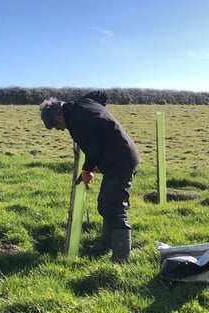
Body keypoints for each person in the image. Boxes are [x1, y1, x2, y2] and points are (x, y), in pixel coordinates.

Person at [39, 91, 139, 262]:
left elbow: (92, 150)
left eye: (57, 126)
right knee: (104, 203)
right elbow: (101, 95)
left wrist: (87, 171)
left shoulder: (76, 122)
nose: (60, 129)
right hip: (120, 156)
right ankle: (106, 244)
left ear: (58, 117)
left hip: (120, 162)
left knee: (114, 207)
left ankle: (121, 258)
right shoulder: (83, 103)